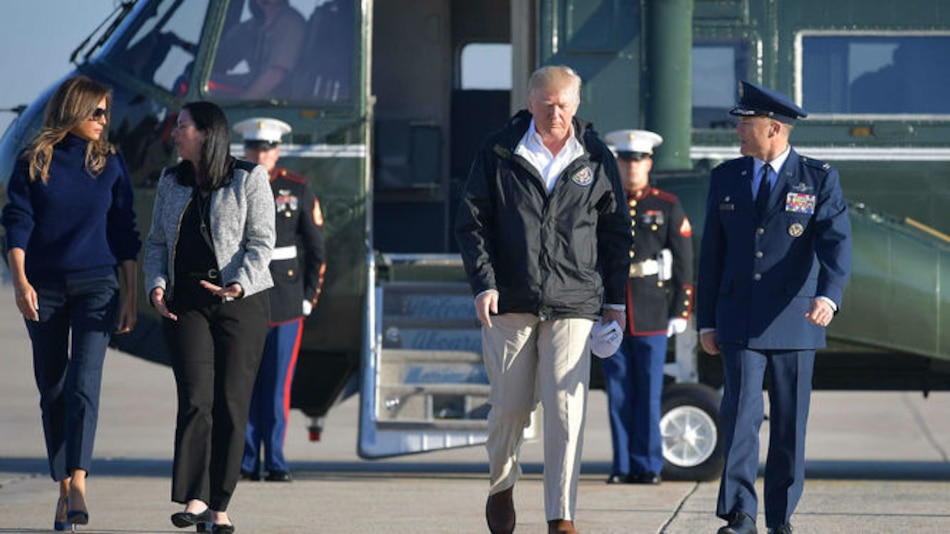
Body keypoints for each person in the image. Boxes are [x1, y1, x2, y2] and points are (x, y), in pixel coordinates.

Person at [454, 65, 632, 534]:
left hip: (575, 301)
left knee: (565, 408)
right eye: (547, 104)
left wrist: (615, 300)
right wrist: (484, 283)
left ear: (577, 106)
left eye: (565, 105)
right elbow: (472, 223)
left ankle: (561, 517)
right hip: (510, 299)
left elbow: (616, 232)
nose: (556, 114)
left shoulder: (595, 154)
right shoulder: (498, 150)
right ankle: (502, 484)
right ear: (530, 102)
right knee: (509, 408)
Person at [697, 81, 852, 534]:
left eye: (746, 126)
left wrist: (829, 296)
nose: (739, 134)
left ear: (775, 130)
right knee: (740, 421)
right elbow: (713, 257)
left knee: (788, 427)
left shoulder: (818, 178)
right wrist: (706, 320)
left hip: (795, 321)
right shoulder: (727, 176)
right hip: (738, 321)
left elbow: (836, 244)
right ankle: (740, 515)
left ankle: (781, 518)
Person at [1, 75, 141, 531]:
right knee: (53, 388)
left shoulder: (111, 162)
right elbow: (17, 222)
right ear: (72, 110)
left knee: (84, 382)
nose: (104, 120)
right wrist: (20, 282)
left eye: (106, 112)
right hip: (43, 287)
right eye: (95, 112)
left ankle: (78, 480)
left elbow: (125, 233)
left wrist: (131, 296)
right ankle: (63, 488)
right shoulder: (34, 161)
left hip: (98, 285)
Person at [144, 101, 275, 533]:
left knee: (232, 405)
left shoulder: (249, 178)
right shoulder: (170, 180)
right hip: (188, 303)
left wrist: (238, 283)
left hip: (240, 301)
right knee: (197, 399)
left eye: (182, 127)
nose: (175, 133)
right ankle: (196, 499)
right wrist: (157, 285)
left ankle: (220, 506)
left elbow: (261, 243)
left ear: (206, 133)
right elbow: (158, 243)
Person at [232, 117, 326, 483]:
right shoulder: (233, 184)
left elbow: (316, 249)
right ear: (245, 150)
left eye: (267, 147)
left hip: (286, 300)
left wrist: (308, 298)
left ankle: (275, 459)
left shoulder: (297, 188)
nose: (261, 153)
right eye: (255, 147)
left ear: (278, 150)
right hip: (245, 296)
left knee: (276, 386)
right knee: (245, 383)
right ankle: (246, 458)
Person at [599, 129, 694, 486]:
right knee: (618, 394)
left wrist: (681, 310)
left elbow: (684, 262)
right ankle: (622, 465)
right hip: (612, 311)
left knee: (650, 392)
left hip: (652, 312)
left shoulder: (666, 204)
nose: (631, 167)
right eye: (625, 160)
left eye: (637, 160)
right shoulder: (604, 204)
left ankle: (649, 465)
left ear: (649, 163)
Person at [211, 0, 306, 99]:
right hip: (253, 84)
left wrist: (242, 104)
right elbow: (219, 58)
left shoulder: (290, 22)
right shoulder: (252, 27)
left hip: (276, 101)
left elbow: (276, 73)